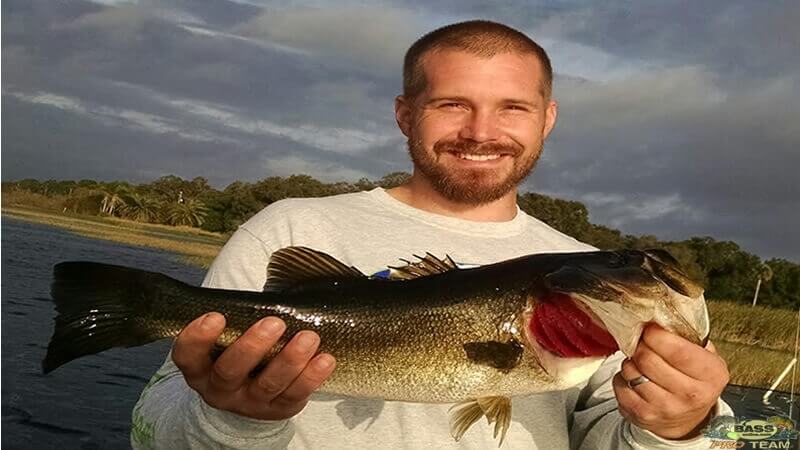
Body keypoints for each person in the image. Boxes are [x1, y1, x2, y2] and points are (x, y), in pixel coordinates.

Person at [131, 20, 731, 449]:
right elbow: (151, 426)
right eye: (452, 104)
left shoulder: (590, 279)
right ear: (405, 114)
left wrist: (675, 428)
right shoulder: (290, 225)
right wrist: (235, 420)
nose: (481, 132)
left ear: (547, 119)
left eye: (513, 108)